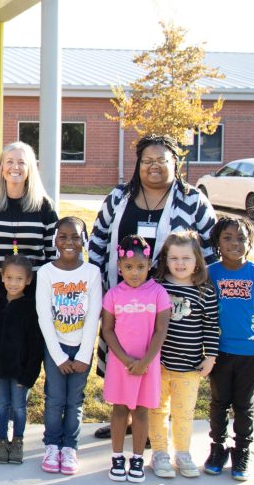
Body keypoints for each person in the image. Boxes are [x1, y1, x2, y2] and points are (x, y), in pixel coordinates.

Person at [87, 134, 216, 440]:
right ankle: (125, 419)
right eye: (147, 161)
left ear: (176, 163)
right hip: (119, 298)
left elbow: (209, 251)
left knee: (156, 360)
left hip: (167, 301)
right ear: (138, 165)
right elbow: (97, 240)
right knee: (121, 355)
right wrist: (95, 288)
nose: (154, 166)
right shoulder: (118, 197)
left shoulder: (192, 200)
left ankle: (149, 426)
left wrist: (203, 291)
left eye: (162, 160)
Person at [0, 141, 57, 434]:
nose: (15, 167)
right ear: (1, 168)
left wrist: (40, 299)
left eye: (22, 162)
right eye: (9, 162)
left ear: (30, 169)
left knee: (20, 354)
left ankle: (16, 414)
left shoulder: (44, 207)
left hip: (29, 299)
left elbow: (51, 256)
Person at [204, 216, 254, 481]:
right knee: (219, 403)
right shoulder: (210, 272)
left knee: (244, 406)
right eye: (228, 238)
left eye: (241, 239)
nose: (235, 243)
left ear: (250, 243)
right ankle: (218, 449)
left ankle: (242, 451)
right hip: (219, 352)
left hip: (250, 353)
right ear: (217, 243)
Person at [35, 216, 102, 476]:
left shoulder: (91, 273)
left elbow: (94, 314)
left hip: (82, 349)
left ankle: (70, 448)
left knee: (75, 401)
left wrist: (84, 354)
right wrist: (59, 356)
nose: (69, 242)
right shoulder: (46, 273)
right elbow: (44, 316)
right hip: (56, 350)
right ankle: (52, 445)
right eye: (62, 236)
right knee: (54, 400)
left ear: (84, 240)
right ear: (55, 240)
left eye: (75, 236)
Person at [149, 230, 219, 479]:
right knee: (157, 409)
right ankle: (159, 452)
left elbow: (211, 326)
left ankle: (183, 452)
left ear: (197, 261)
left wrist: (210, 357)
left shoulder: (204, 291)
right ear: (165, 259)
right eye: (174, 258)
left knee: (184, 412)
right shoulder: (158, 287)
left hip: (189, 366)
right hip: (159, 364)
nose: (180, 264)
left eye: (186, 258)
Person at [102, 235, 171, 483]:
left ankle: (138, 458)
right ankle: (117, 456)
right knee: (119, 409)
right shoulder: (113, 295)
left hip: (147, 366)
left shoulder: (158, 293)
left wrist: (144, 362)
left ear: (149, 265)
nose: (135, 273)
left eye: (141, 267)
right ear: (119, 267)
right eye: (129, 267)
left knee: (141, 411)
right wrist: (124, 359)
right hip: (120, 366)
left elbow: (161, 330)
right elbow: (107, 330)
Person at [0, 254, 43, 465]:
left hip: (19, 371)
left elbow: (35, 346)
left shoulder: (30, 308)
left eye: (18, 279)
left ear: (28, 280)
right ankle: (1, 440)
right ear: (2, 278)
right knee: (2, 405)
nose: (13, 283)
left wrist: (28, 375)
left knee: (18, 407)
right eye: (9, 277)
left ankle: (17, 440)